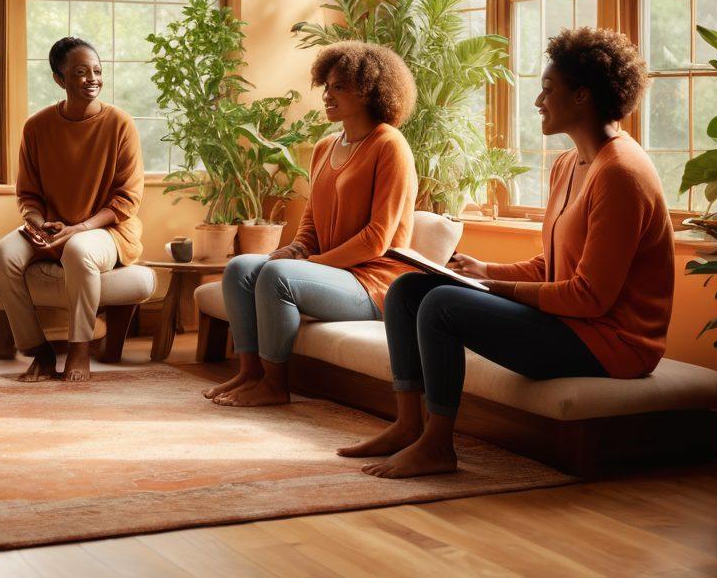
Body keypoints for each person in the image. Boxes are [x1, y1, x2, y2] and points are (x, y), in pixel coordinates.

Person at [340, 26, 674, 478]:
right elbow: (549, 266)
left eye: (548, 90)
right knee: (409, 290)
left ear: (582, 96)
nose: (538, 101)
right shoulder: (568, 164)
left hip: (612, 344)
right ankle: (407, 425)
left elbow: (589, 298)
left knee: (441, 305)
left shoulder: (621, 174)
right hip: (573, 324)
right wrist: (481, 269)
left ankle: (438, 446)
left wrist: (491, 287)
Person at [204, 41, 419, 407]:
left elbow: (376, 240)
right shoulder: (325, 146)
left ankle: (275, 386)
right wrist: (298, 247)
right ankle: (250, 373)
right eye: (327, 86)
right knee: (240, 268)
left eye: (340, 87)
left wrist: (305, 265)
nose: (327, 96)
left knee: (277, 276)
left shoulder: (389, 145)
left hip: (374, 283)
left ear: (370, 92)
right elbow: (311, 221)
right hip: (330, 273)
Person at [0, 37, 144, 383]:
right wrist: (39, 225)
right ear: (60, 79)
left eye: (98, 71)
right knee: (1, 255)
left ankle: (79, 349)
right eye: (80, 72)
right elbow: (28, 194)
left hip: (107, 231)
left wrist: (81, 228)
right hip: (52, 226)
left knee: (77, 250)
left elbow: (127, 199)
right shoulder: (37, 127)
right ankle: (38, 351)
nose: (92, 79)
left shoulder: (120, 124)